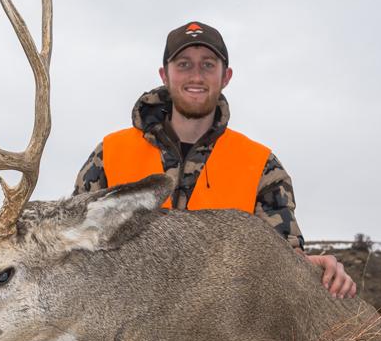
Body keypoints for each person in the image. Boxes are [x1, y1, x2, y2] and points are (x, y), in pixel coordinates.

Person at [74, 20, 356, 299]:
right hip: (121, 322)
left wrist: (315, 267)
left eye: (208, 64)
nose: (196, 76)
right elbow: (72, 243)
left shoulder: (261, 165)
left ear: (226, 76)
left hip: (219, 332)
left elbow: (282, 259)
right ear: (164, 74)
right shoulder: (111, 153)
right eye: (183, 64)